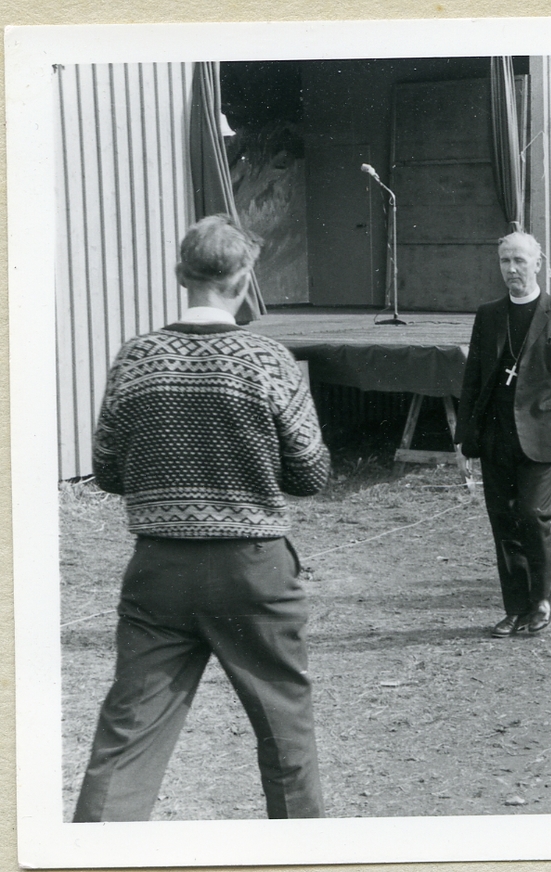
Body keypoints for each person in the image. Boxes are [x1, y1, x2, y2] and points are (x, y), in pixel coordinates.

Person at [74, 215, 331, 821]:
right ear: (245, 281)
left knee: (129, 734)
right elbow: (311, 475)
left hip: (159, 569)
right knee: (285, 732)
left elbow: (108, 470)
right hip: (256, 571)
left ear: (179, 275)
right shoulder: (268, 360)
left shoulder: (135, 359)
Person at [455, 232, 551, 638]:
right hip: (496, 437)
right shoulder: (489, 315)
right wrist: (464, 437)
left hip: (542, 436)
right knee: (502, 521)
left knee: (532, 515)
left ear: (538, 263)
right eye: (504, 261)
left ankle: (541, 601)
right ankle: (515, 608)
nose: (511, 269)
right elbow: (473, 379)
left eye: (518, 260)